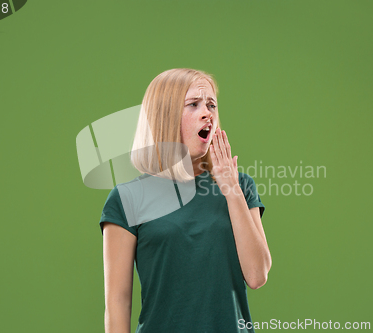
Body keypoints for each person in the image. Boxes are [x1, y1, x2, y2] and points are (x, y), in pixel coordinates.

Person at [100, 68, 271, 333]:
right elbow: (118, 302)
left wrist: (231, 189)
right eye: (194, 104)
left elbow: (257, 275)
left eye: (211, 105)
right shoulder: (127, 199)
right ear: (164, 115)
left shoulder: (241, 186)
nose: (208, 113)